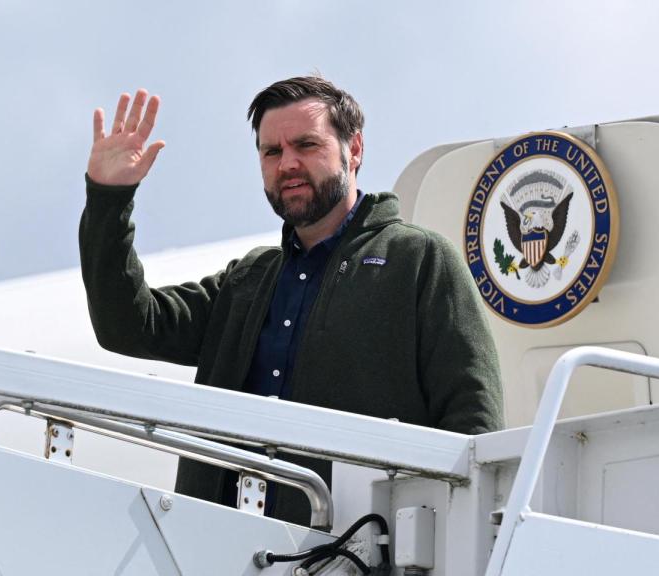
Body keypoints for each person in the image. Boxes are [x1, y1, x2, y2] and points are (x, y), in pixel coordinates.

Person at [79, 76, 503, 525]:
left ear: (355, 149)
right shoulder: (247, 280)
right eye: (272, 152)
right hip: (215, 542)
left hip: (359, 546)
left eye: (306, 145)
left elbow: (472, 417)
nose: (287, 164)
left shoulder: (419, 260)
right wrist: (109, 199)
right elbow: (127, 326)